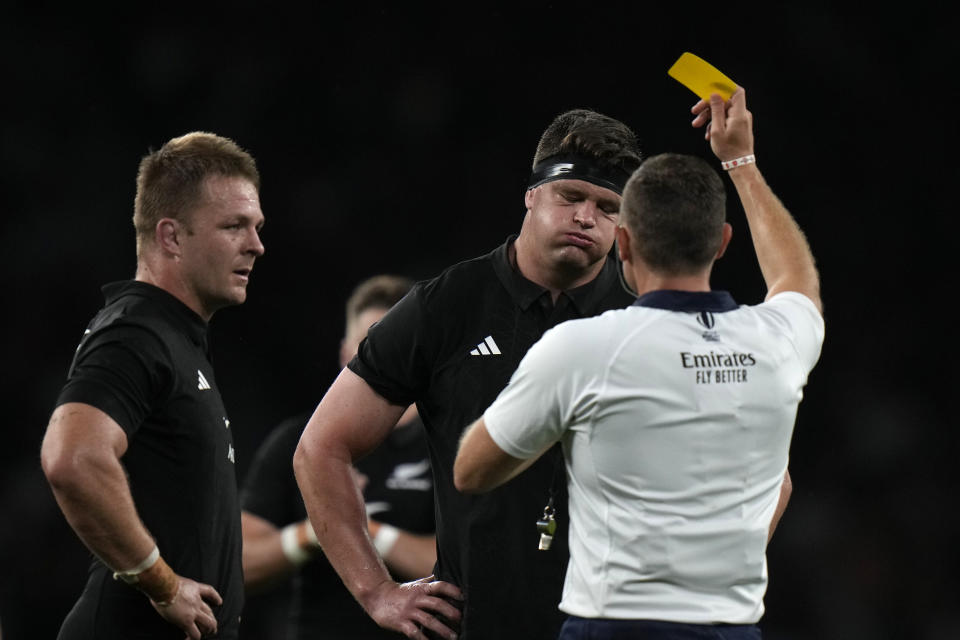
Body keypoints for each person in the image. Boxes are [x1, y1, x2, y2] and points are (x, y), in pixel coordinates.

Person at [453, 88, 824, 640]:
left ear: (622, 243)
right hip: (729, 627)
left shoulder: (581, 350)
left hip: (614, 626)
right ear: (722, 243)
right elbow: (797, 280)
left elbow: (471, 470)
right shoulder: (777, 341)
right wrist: (740, 163)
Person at [293, 108, 644, 639]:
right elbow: (320, 448)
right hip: (474, 625)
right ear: (531, 194)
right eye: (570, 196)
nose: (586, 218)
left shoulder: (643, 314)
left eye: (607, 207)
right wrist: (377, 591)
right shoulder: (447, 306)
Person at [40, 132, 266, 640]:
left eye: (256, 227)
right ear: (171, 237)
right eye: (234, 226)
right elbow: (72, 458)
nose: (256, 244)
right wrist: (162, 584)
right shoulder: (137, 331)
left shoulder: (177, 337)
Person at [239, 274, 437, 639]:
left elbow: (469, 563)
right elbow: (239, 565)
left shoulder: (446, 441)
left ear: (419, 351)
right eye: (370, 346)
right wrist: (309, 533)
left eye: (394, 346)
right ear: (346, 354)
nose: (383, 360)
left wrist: (356, 526)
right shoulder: (301, 443)